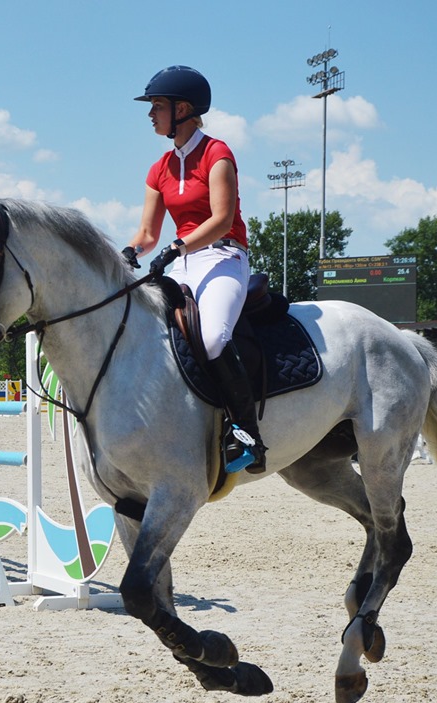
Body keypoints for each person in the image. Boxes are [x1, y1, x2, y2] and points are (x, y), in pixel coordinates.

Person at [122, 65, 266, 473]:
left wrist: (176, 245)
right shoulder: (159, 169)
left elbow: (222, 219)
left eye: (157, 106)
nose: (151, 114)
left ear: (182, 109)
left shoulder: (217, 153)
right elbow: (148, 233)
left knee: (214, 336)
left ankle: (247, 435)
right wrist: (129, 252)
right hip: (182, 260)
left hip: (224, 255)